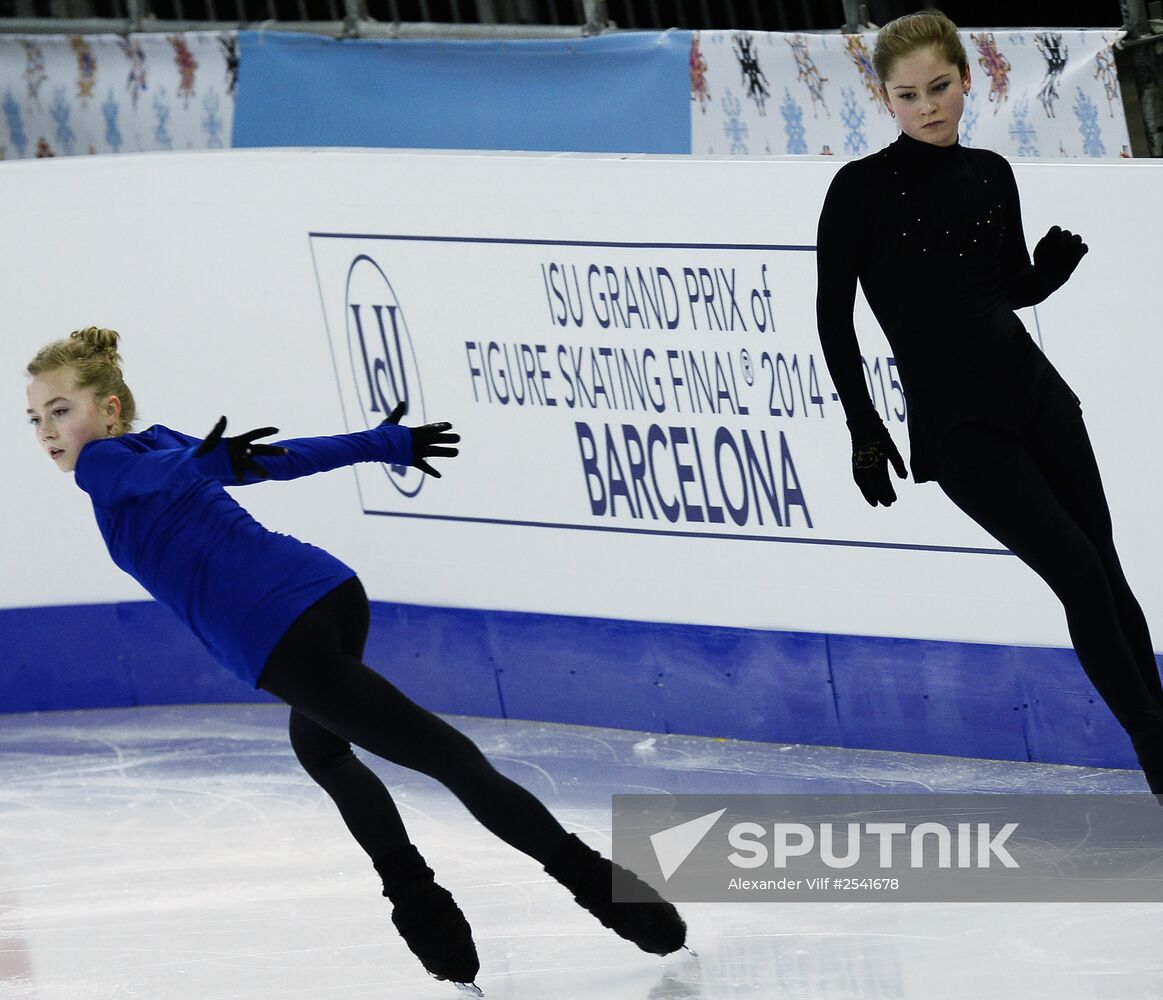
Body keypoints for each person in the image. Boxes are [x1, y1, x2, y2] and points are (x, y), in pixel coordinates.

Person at [25, 326, 687, 990]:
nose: (48, 431)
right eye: (35, 418)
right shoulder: (165, 441)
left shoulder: (102, 464)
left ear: (109, 408)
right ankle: (423, 907)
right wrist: (380, 442)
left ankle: (609, 898)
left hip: (282, 637)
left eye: (61, 410)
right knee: (322, 749)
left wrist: (212, 463)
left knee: (451, 761)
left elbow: (152, 471)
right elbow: (274, 460)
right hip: (331, 595)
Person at [814, 10, 1163, 840]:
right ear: (884, 99)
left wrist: (1044, 278)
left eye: (940, 87)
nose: (928, 107)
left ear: (966, 80)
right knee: (1078, 576)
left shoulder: (990, 173)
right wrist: (864, 428)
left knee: (1108, 575)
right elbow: (835, 318)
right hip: (959, 426)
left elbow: (999, 286)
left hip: (1038, 397)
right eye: (908, 96)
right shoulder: (858, 191)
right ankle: (1162, 751)